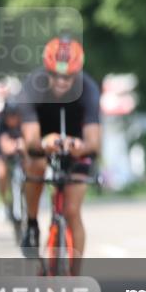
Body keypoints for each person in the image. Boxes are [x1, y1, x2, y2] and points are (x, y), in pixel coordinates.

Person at [17, 35, 101, 274]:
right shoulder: (32, 86)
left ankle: (75, 275)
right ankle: (32, 224)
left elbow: (94, 143)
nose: (62, 81)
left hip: (77, 143)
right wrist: (45, 142)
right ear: (47, 71)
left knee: (72, 211)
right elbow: (31, 139)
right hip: (42, 139)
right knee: (35, 164)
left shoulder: (89, 89)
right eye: (55, 75)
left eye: (68, 76)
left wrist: (79, 146)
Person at [0, 102, 25, 231]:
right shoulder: (0, 123)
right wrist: (16, 145)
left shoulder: (23, 121)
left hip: (18, 147)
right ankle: (3, 201)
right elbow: (5, 146)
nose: (12, 119)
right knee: (1, 172)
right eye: (10, 116)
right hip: (1, 149)